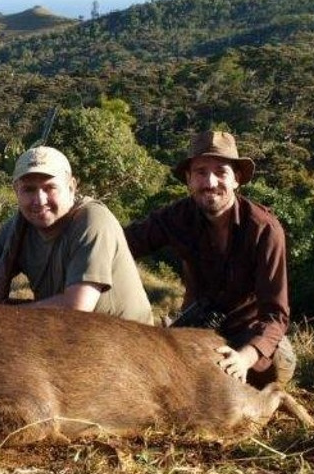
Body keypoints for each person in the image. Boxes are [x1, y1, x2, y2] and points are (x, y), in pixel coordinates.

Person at [123, 130, 296, 388]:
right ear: (189, 180)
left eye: (221, 172)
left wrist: (245, 358)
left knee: (269, 373)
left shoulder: (264, 230)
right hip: (193, 330)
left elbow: (276, 315)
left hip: (246, 332)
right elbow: (122, 244)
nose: (210, 182)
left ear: (237, 179)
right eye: (201, 172)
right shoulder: (176, 217)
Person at [0, 145, 154, 324]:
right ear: (15, 191)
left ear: (72, 187)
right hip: (69, 335)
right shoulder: (18, 226)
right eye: (29, 189)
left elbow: (77, 306)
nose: (39, 200)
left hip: (126, 347)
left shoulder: (93, 220)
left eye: (50, 188)